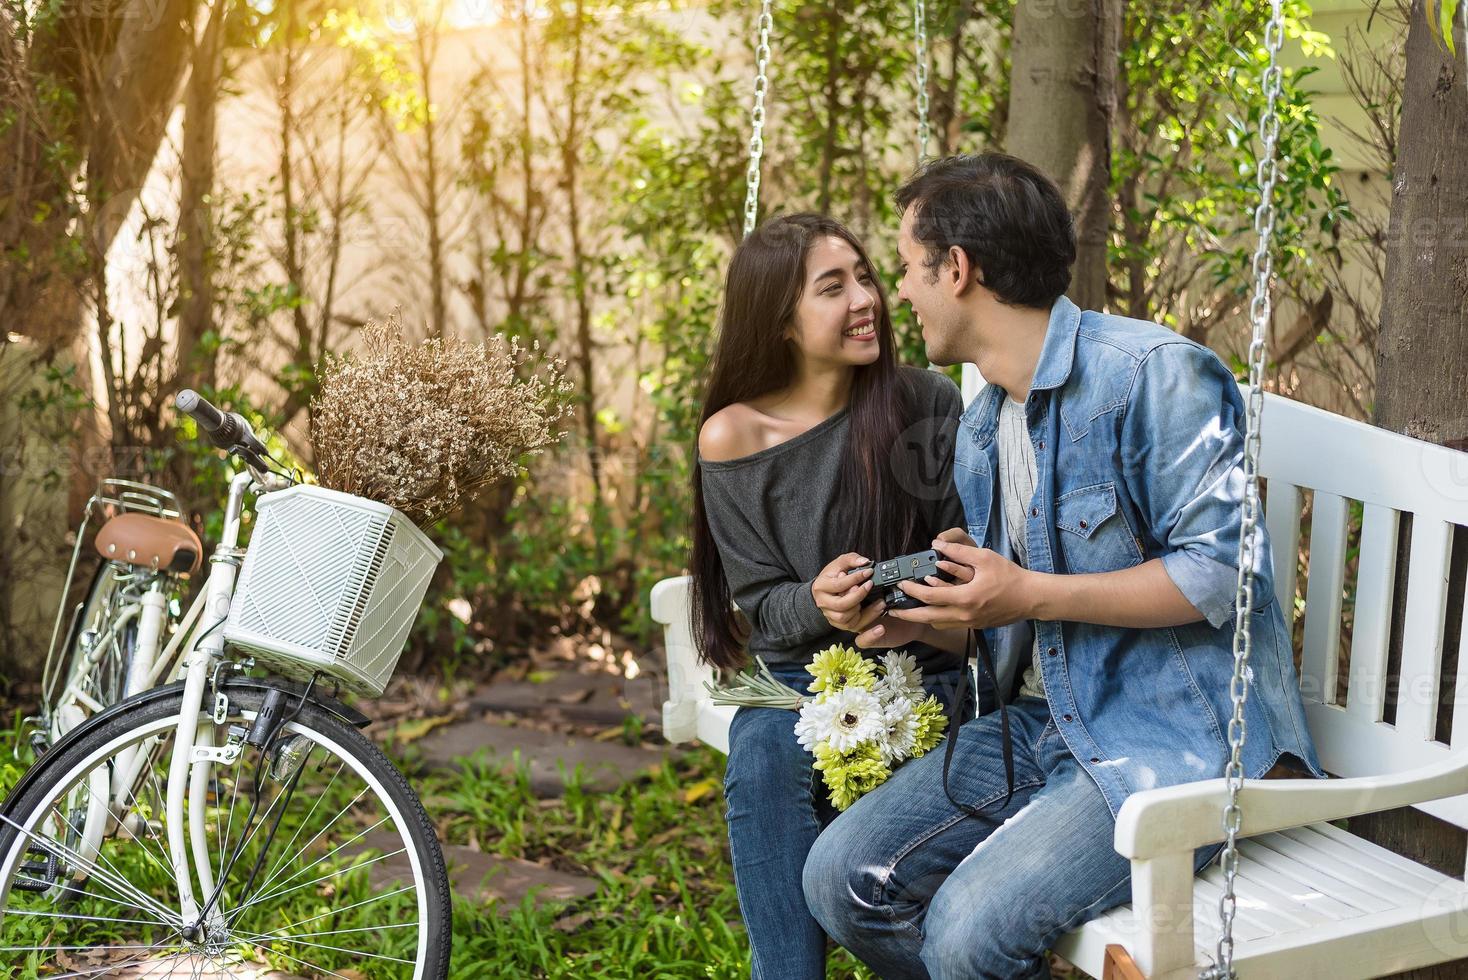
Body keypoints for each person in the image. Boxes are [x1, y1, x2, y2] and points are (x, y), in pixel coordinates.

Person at [800, 153, 1325, 979]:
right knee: (842, 880)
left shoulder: (1155, 376)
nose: (899, 292)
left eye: (906, 268)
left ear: (959, 270)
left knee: (967, 936)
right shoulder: (982, 426)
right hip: (1046, 721)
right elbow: (1017, 612)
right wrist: (911, 617)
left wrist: (1029, 591)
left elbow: (1222, 574)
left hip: (1175, 739)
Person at [689, 212, 977, 980]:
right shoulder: (735, 435)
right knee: (764, 759)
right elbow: (763, 609)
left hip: (924, 669)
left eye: (866, 277)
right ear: (781, 321)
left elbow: (963, 558)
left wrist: (914, 601)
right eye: (833, 287)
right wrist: (820, 603)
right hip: (796, 679)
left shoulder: (923, 403)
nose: (866, 300)